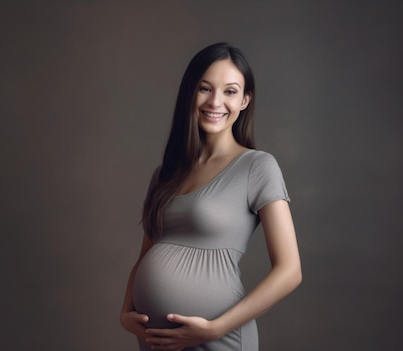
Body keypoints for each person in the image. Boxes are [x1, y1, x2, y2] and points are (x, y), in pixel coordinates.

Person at [119, 42, 302, 351]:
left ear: (245, 100)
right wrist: (125, 312)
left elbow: (290, 271)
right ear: (190, 93)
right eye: (205, 88)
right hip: (157, 342)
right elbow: (145, 256)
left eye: (230, 91)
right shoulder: (166, 173)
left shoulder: (258, 166)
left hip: (218, 339)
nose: (215, 101)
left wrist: (215, 329)